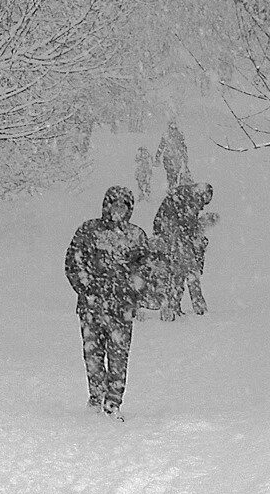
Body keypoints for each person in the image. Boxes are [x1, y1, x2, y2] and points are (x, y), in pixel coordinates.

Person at [64, 186, 155, 418]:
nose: (118, 210)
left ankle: (113, 404)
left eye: (123, 206)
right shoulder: (89, 231)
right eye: (114, 205)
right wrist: (87, 288)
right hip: (91, 308)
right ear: (106, 205)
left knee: (118, 358)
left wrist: (132, 293)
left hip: (120, 310)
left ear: (129, 209)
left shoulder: (136, 236)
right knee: (92, 357)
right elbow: (74, 262)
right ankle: (95, 398)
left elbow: (146, 270)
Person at [153, 180, 217, 321]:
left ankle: (173, 306)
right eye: (203, 201)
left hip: (169, 237)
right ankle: (196, 307)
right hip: (174, 238)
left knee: (178, 272)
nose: (201, 206)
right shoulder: (189, 197)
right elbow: (188, 226)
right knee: (189, 271)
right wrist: (202, 225)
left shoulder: (183, 195)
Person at [154, 120, 190, 195]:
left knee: (173, 174)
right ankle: (172, 187)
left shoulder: (177, 135)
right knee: (171, 173)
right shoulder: (169, 135)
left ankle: (172, 187)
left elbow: (183, 147)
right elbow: (161, 146)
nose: (173, 129)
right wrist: (157, 156)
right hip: (170, 158)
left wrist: (185, 157)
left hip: (175, 158)